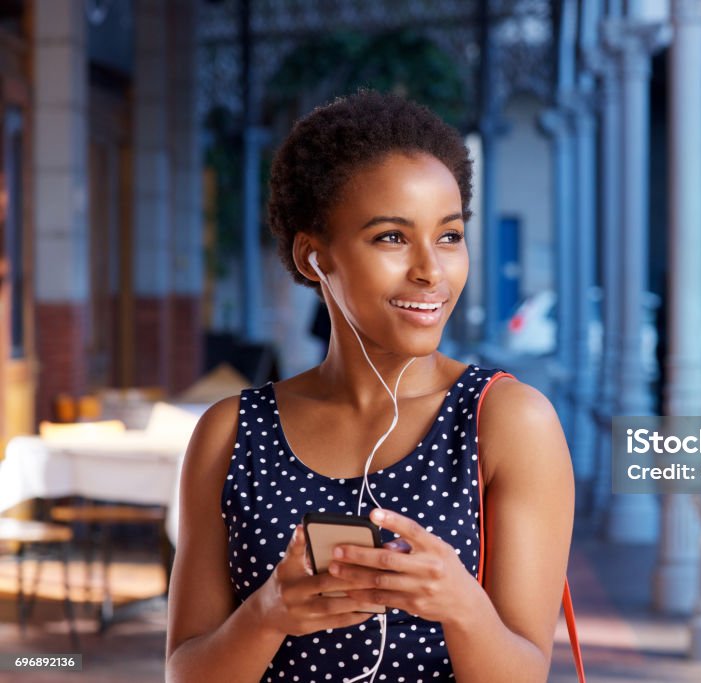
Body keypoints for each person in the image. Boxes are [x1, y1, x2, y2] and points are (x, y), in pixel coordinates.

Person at [165, 90, 575, 683]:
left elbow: (525, 674)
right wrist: (267, 615)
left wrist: (459, 605)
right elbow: (185, 672)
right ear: (313, 257)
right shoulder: (231, 433)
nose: (431, 270)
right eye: (391, 237)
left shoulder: (506, 421)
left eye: (450, 236)